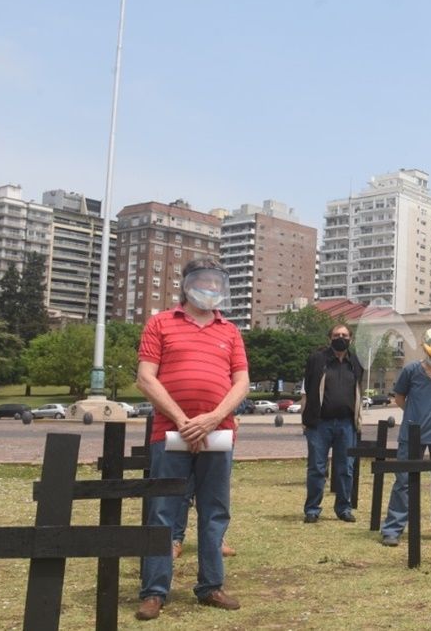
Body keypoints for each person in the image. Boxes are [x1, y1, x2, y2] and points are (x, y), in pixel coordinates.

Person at [135, 260, 248, 620]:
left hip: (219, 433)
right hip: (170, 432)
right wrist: (184, 421)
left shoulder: (230, 330)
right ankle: (154, 591)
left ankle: (211, 585)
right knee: (162, 511)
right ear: (186, 285)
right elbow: (145, 378)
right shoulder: (160, 323)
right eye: (203, 281)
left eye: (216, 282)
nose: (210, 287)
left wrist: (213, 418)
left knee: (215, 510)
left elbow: (241, 382)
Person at [379, 328, 431, 546]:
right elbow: (399, 397)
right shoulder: (410, 370)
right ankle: (392, 529)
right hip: (412, 433)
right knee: (403, 481)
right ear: (425, 349)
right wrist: (414, 415)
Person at [301, 323, 364, 523]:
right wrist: (305, 418)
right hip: (320, 424)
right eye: (337, 335)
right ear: (330, 338)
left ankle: (344, 508)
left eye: (344, 335)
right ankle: (312, 509)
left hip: (346, 424)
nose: (340, 338)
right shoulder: (317, 359)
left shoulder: (355, 362)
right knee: (317, 468)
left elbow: (358, 390)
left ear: (350, 339)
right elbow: (307, 388)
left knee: (346, 468)